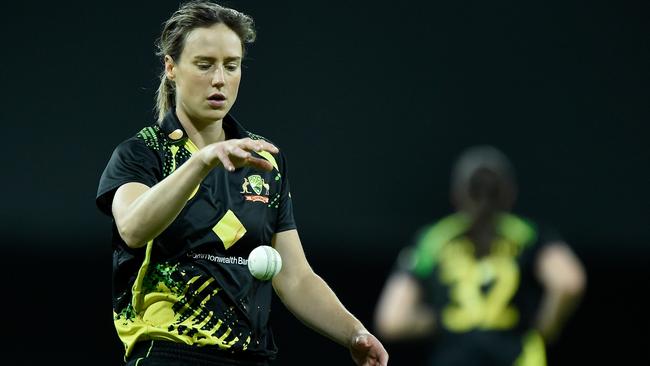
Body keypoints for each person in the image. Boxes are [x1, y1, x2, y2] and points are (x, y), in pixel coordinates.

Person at [96, 1, 388, 365]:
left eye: (231, 66)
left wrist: (354, 332)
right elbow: (133, 228)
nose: (219, 79)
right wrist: (202, 161)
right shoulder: (142, 153)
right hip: (168, 352)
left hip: (251, 356)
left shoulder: (263, 160)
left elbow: (295, 277)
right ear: (171, 68)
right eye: (204, 65)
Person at [374, 146, 585, 365]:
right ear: (509, 193)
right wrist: (544, 327)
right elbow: (569, 282)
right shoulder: (526, 235)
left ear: (457, 194)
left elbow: (392, 319)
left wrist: (443, 317)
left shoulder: (435, 239)